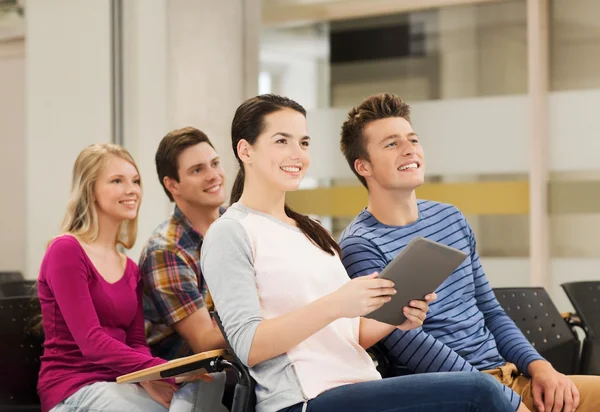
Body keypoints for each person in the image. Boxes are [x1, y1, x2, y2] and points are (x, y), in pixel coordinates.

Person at [200, 94, 517, 412]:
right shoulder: (231, 232)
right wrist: (336, 304)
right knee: (480, 391)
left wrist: (397, 317)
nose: (298, 154)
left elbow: (351, 334)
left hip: (361, 384)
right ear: (246, 150)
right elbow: (248, 345)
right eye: (282, 141)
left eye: (305, 143)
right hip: (306, 398)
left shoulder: (310, 230)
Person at [338, 93, 600, 412]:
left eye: (413, 139)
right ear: (363, 165)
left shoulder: (449, 217)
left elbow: (489, 309)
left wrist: (540, 367)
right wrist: (491, 393)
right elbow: (402, 342)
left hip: (508, 376)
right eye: (391, 144)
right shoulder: (360, 244)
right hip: (454, 393)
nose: (410, 149)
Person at [36, 144, 223, 412]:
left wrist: (149, 379)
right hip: (75, 388)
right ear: (90, 191)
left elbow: (136, 342)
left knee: (212, 381)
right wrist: (161, 370)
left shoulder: (129, 267)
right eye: (117, 181)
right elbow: (91, 342)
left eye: (135, 181)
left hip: (122, 383)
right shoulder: (66, 250)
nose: (132, 190)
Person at [139, 127, 227, 361]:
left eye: (215, 163)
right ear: (173, 185)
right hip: (199, 382)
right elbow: (205, 343)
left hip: (256, 368)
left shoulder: (243, 227)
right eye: (198, 170)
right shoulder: (165, 251)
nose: (213, 175)